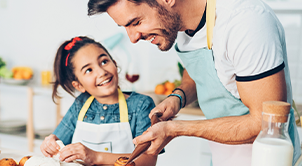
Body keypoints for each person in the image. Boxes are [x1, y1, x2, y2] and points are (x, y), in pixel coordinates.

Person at [87, 0, 301, 165]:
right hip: (223, 156)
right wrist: (177, 97)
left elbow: (266, 123)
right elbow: (199, 69)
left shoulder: (245, 23)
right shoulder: (182, 25)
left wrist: (175, 129)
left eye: (136, 22)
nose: (132, 37)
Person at [40, 36, 158, 166]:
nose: (102, 72)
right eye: (88, 70)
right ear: (79, 85)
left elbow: (148, 160)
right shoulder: (80, 104)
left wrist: (95, 157)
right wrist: (50, 143)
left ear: (114, 63)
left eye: (104, 62)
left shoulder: (141, 105)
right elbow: (58, 143)